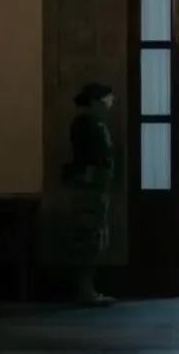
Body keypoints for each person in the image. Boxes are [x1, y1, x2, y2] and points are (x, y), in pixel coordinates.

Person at [62, 82, 117, 306]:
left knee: (93, 238)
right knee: (89, 240)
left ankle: (87, 289)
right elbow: (94, 159)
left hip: (95, 188)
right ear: (95, 102)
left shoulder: (92, 123)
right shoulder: (87, 124)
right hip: (90, 189)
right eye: (107, 101)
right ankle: (85, 290)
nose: (110, 105)